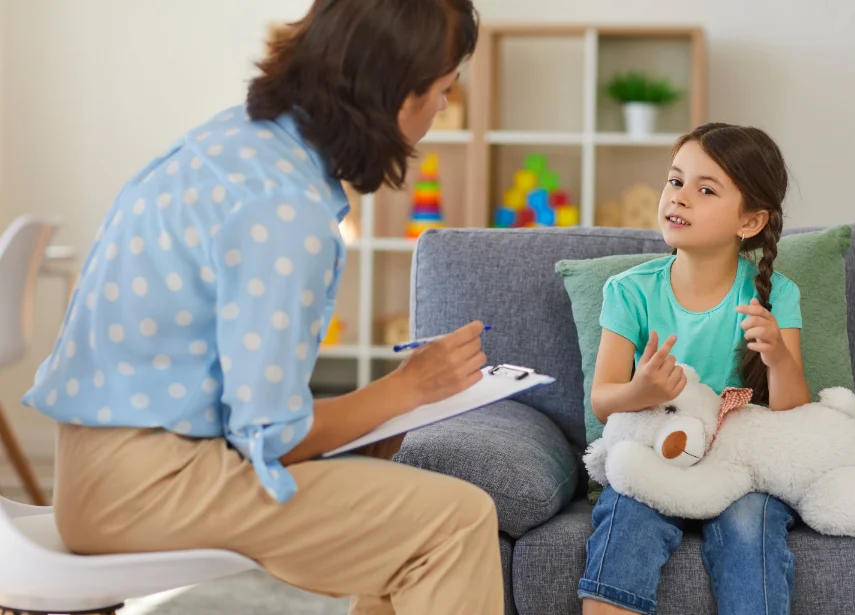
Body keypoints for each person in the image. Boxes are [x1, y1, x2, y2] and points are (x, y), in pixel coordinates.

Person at [22, 1, 505, 613]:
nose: (444, 104)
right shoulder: (285, 209)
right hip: (147, 487)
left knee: (409, 528)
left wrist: (375, 416)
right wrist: (410, 388)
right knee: (455, 522)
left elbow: (239, 410)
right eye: (443, 87)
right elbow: (273, 434)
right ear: (396, 96)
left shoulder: (236, 145)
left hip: (104, 473)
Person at [579, 123, 812, 615]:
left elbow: (794, 413)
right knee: (625, 512)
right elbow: (603, 401)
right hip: (654, 455)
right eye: (675, 180)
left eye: (705, 189)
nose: (679, 198)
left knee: (752, 523)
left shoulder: (776, 295)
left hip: (739, 469)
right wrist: (641, 390)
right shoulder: (629, 291)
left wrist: (777, 356)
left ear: (749, 221)